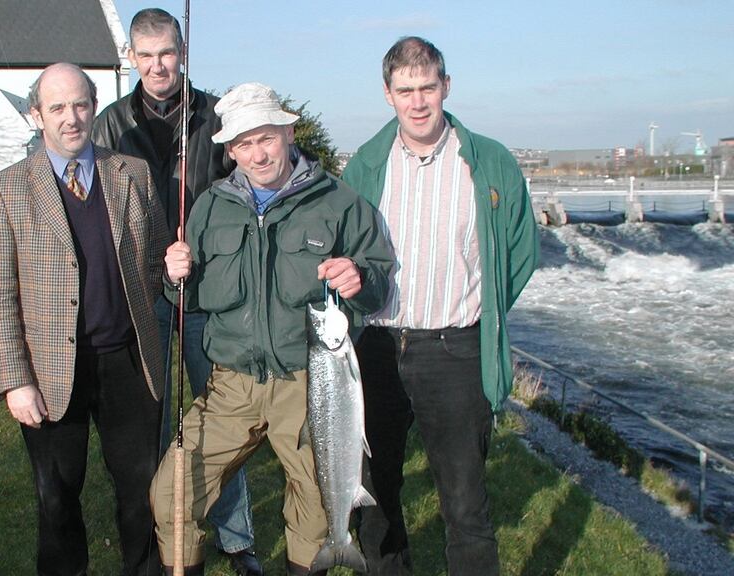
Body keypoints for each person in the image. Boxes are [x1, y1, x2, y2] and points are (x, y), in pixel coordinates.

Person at [149, 82, 394, 576]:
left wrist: (359, 278)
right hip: (230, 385)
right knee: (172, 494)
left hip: (310, 386)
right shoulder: (209, 207)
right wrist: (173, 275)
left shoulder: (341, 203)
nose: (257, 154)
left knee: (317, 509)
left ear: (288, 131)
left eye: (266, 138)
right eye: (243, 143)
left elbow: (380, 285)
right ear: (229, 149)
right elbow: (187, 298)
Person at [342, 36, 540, 575]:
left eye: (428, 86)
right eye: (405, 90)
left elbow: (519, 253)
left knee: (464, 504)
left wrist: (487, 306)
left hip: (456, 350)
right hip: (378, 347)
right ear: (388, 94)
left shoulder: (489, 163)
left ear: (445, 86)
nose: (418, 100)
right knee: (377, 495)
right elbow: (346, 252)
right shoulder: (365, 166)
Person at [0, 63, 168, 576]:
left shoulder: (131, 174)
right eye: (57, 108)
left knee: (141, 490)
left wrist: (170, 271)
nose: (71, 118)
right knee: (57, 498)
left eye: (80, 104)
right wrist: (15, 381)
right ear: (37, 115)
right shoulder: (7, 189)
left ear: (93, 105)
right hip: (49, 371)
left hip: (127, 362)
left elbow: (154, 266)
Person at [90, 8, 260, 574]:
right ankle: (169, 537)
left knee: (219, 422)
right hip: (142, 298)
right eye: (146, 54)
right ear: (131, 59)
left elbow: (249, 186)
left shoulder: (214, 116)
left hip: (208, 295)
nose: (158, 64)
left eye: (167, 52)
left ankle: (237, 540)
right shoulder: (110, 124)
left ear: (182, 51)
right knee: (159, 426)